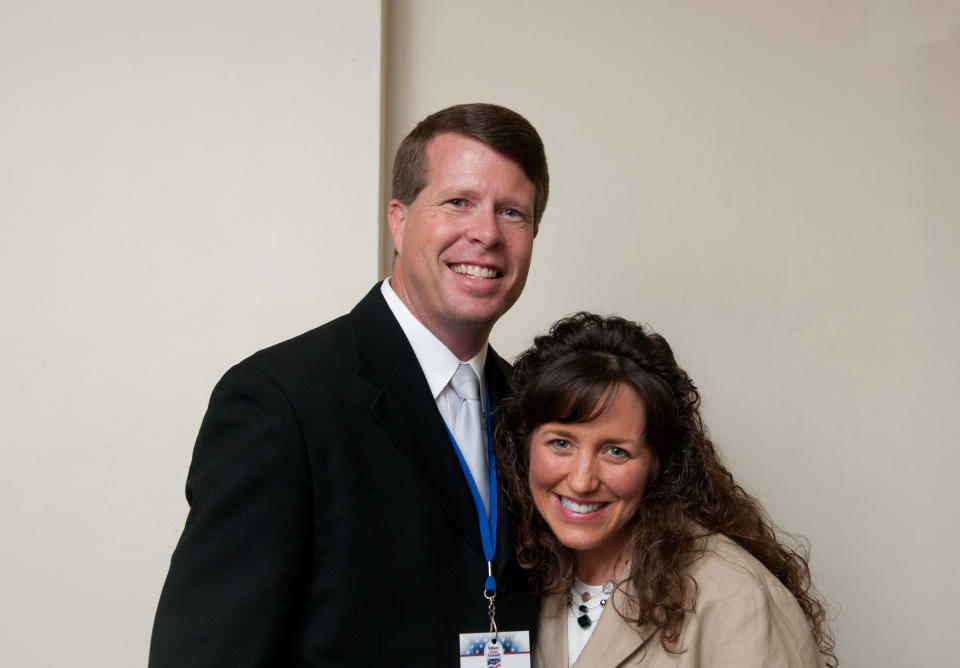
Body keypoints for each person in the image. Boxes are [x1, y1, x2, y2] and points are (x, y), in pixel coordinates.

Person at [149, 103, 549, 666]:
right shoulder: (279, 402)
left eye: (512, 212)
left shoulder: (535, 410)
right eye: (458, 201)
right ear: (399, 219)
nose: (485, 232)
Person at [497, 313, 837, 668]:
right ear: (525, 446)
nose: (582, 481)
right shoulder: (528, 576)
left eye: (616, 451)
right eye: (561, 443)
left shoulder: (737, 598)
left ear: (659, 463)